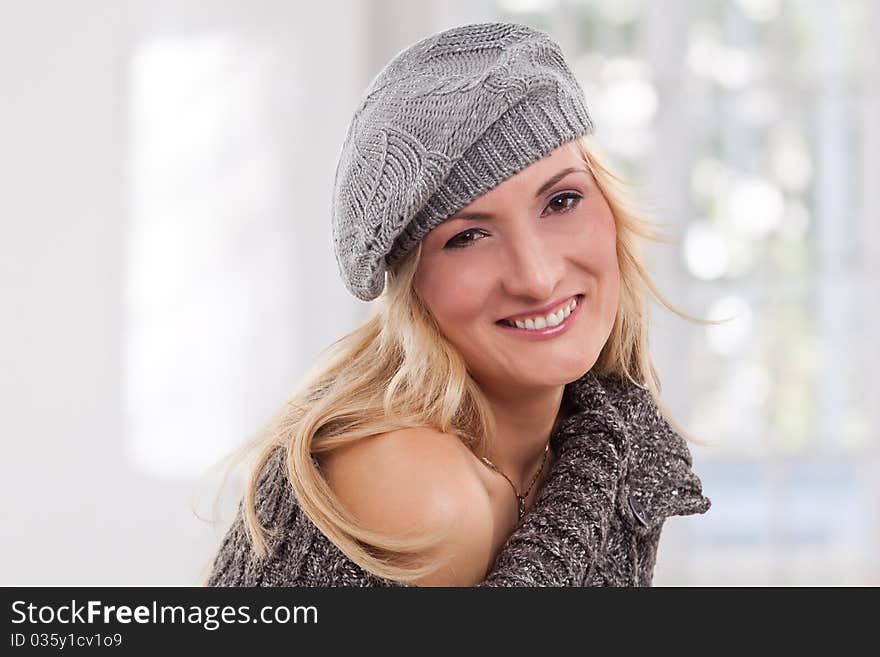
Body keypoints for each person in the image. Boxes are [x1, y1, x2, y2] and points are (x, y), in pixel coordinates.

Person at [204, 21, 713, 587]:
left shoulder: (600, 427)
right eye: (467, 237)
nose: (537, 278)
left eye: (562, 201)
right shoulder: (423, 494)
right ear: (413, 288)